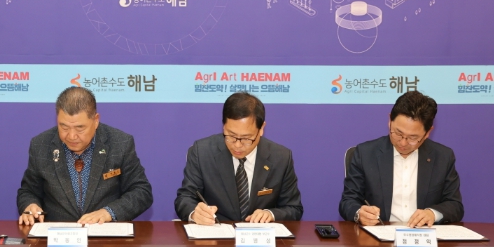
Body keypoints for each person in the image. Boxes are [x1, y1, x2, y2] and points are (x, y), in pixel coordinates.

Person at [17, 87, 153, 225]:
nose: (71, 136)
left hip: (105, 232)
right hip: (57, 233)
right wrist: (30, 204)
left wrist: (108, 212)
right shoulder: (40, 145)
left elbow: (141, 192)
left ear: (96, 120)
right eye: (64, 127)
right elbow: (28, 191)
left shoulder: (120, 143)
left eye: (80, 128)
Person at [175, 91, 303, 224]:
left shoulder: (280, 157)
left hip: (259, 235)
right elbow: (185, 198)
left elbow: (294, 208)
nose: (237, 145)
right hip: (217, 232)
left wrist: (270, 214)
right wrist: (195, 213)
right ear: (223, 126)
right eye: (231, 136)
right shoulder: (202, 152)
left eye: (246, 138)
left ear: (261, 129)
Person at [339, 90, 463, 227]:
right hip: (380, 235)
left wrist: (432, 214)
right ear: (389, 120)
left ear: (428, 133)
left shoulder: (443, 157)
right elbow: (348, 201)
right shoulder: (365, 153)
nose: (403, 143)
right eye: (398, 133)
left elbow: (455, 205)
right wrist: (359, 213)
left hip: (424, 236)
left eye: (413, 138)